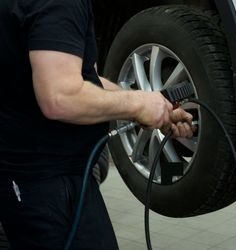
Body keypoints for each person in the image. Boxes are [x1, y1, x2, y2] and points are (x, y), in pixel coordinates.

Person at [0, 0, 194, 249]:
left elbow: (82, 81)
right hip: (46, 183)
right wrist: (138, 106)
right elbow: (60, 98)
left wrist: (149, 104)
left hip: (51, 177)